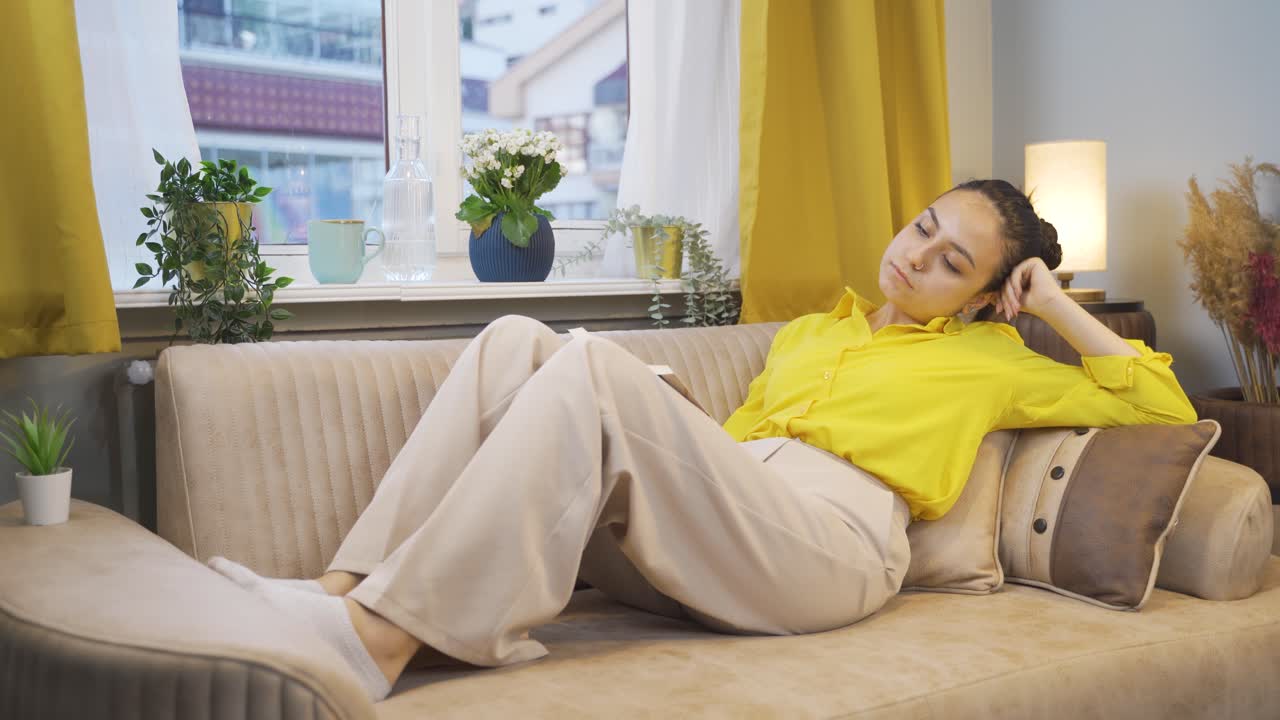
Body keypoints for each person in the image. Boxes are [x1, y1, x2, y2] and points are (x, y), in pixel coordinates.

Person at [210, 179, 1197, 702]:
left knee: (594, 363)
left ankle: (375, 646)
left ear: (984, 293)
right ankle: (344, 598)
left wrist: (1053, 308)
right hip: (723, 528)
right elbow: (720, 464)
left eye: (950, 263)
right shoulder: (814, 331)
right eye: (920, 227)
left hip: (828, 549)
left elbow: (1160, 408)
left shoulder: (992, 358)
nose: (913, 255)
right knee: (514, 339)